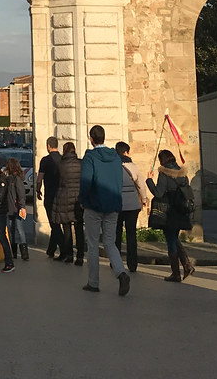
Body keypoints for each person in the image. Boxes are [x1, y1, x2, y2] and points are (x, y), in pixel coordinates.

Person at [79, 124, 130, 296]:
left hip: (94, 205)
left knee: (93, 244)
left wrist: (82, 200)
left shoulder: (90, 157)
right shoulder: (116, 157)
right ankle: (121, 273)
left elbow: (86, 181)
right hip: (113, 204)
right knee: (110, 242)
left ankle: (93, 282)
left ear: (91, 139)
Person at [146, 149, 195, 282]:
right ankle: (186, 265)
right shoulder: (182, 174)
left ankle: (176, 273)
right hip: (181, 211)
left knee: (170, 241)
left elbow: (159, 193)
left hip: (169, 212)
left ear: (163, 160)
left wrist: (149, 180)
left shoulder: (164, 173)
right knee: (174, 238)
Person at [115, 141, 147, 273]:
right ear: (126, 152)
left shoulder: (113, 166)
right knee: (131, 234)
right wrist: (144, 199)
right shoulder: (133, 167)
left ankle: (115, 261)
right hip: (132, 205)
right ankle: (132, 264)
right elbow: (141, 185)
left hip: (117, 204)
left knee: (116, 234)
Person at [52, 141, 84, 266]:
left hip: (64, 198)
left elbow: (57, 181)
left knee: (67, 229)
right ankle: (80, 256)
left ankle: (69, 254)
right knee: (79, 228)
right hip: (78, 199)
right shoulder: (81, 163)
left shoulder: (60, 164)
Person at [35, 136, 64, 258]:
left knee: (54, 224)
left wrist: (38, 190)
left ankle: (65, 248)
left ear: (48, 146)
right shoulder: (63, 159)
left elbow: (39, 178)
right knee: (56, 222)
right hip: (62, 194)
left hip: (50, 195)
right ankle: (51, 250)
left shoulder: (45, 160)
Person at [5, 156, 30, 261]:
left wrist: (22, 206)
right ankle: (14, 251)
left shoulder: (16, 179)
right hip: (11, 207)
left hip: (16, 207)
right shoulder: (10, 178)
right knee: (12, 229)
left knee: (19, 229)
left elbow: (21, 194)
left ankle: (23, 253)